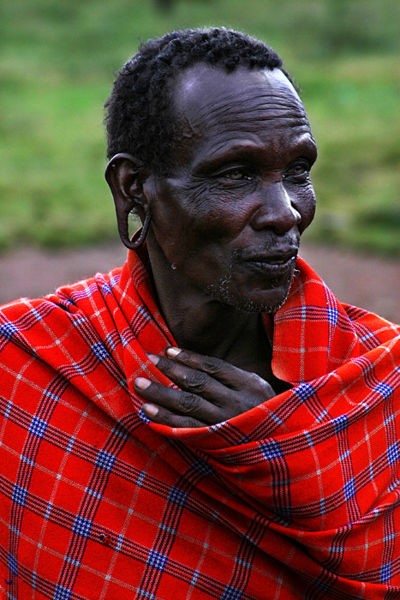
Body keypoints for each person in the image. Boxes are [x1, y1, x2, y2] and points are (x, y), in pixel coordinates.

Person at [0, 27, 399, 599]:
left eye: (298, 172)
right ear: (134, 187)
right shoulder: (27, 366)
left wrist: (286, 453)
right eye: (236, 174)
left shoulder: (376, 382)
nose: (285, 212)